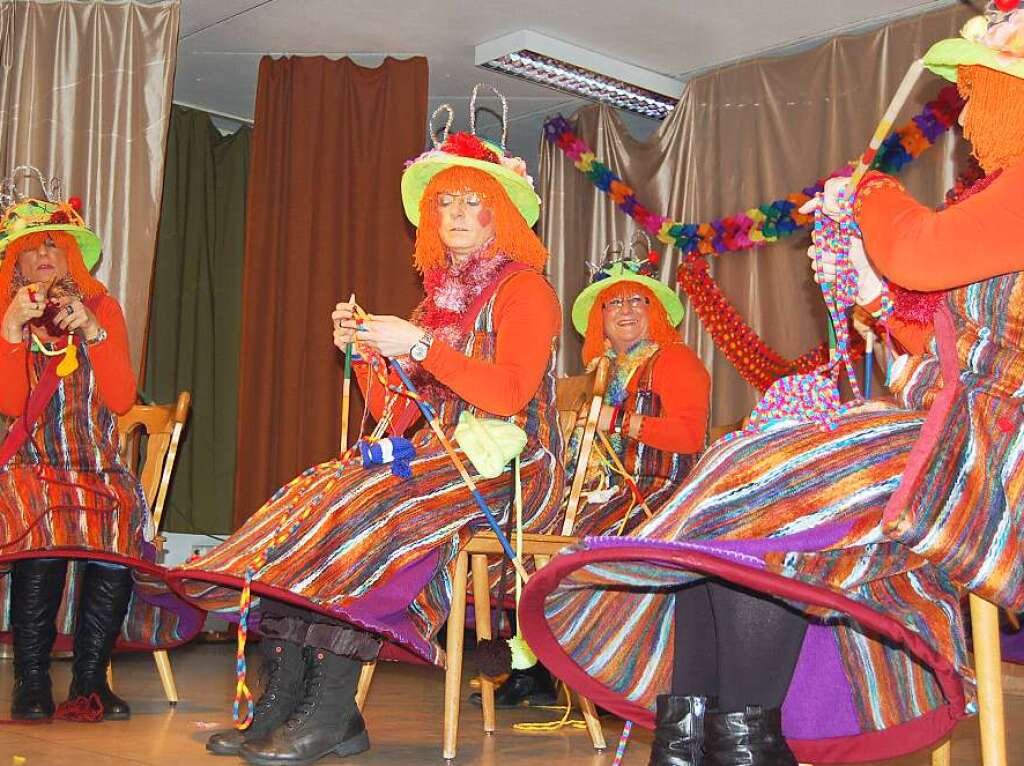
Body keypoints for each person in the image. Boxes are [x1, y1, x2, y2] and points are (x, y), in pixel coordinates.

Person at [519, 7, 1024, 765]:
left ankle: (747, 735)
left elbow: (919, 254)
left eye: (982, 93)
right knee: (736, 473)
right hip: (950, 417)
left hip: (993, 449)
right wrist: (875, 300)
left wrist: (866, 192)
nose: (969, 119)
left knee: (772, 487)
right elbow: (958, 341)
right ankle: (698, 735)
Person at [168, 114, 565, 765]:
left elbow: (509, 397)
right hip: (440, 462)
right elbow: (396, 414)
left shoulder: (527, 291)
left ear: (502, 216)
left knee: (371, 507)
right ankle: (287, 698)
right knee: (318, 496)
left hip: (513, 470)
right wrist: (362, 355)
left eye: (474, 201)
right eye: (445, 201)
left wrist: (422, 346)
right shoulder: (432, 305)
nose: (457, 213)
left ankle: (328, 710)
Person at [0, 171, 200, 721]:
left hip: (99, 464)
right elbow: (14, 406)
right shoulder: (7, 316)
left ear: (72, 257)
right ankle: (32, 680)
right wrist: (12, 331)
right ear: (14, 263)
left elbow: (119, 398)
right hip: (34, 465)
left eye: (55, 245)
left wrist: (92, 330)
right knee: (39, 521)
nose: (45, 254)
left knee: (119, 516)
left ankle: (91, 680)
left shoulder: (102, 308)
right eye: (32, 247)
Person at [479, 250, 709, 709]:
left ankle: (605, 674)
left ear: (655, 311)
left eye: (636, 301)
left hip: (656, 492)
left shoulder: (675, 361)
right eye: (612, 303)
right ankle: (536, 670)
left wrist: (617, 420)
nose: (624, 311)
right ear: (599, 319)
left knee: (578, 547)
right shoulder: (600, 373)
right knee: (527, 534)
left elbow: (688, 436)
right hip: (601, 490)